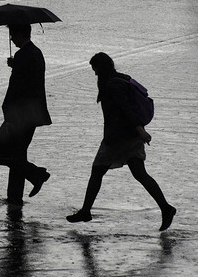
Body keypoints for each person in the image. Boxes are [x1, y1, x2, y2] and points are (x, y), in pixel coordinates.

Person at [66, 52, 176, 231]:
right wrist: (138, 130)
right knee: (139, 173)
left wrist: (140, 129)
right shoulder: (122, 79)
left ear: (101, 68)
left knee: (97, 171)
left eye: (95, 69)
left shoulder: (112, 85)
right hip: (129, 135)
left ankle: (86, 211)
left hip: (118, 136)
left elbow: (126, 108)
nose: (94, 74)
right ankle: (166, 208)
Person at [1, 24, 52, 206]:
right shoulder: (35, 53)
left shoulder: (23, 55)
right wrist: (16, 65)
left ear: (20, 33)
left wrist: (7, 111)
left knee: (12, 155)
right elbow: (31, 79)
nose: (11, 39)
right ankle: (14, 198)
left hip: (21, 114)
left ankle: (36, 175)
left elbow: (16, 88)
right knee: (18, 153)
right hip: (33, 112)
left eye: (12, 34)